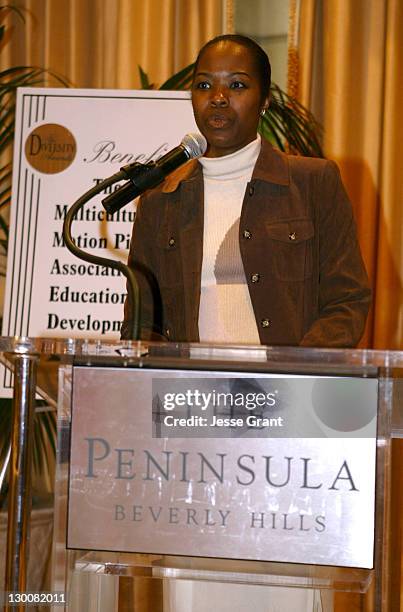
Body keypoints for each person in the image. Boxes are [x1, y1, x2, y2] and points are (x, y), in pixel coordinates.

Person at [121, 34, 371, 348]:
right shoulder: (161, 200)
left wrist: (295, 373)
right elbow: (141, 323)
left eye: (237, 85)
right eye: (204, 85)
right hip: (190, 392)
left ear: (265, 99)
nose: (218, 97)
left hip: (287, 390)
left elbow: (347, 301)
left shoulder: (313, 182)